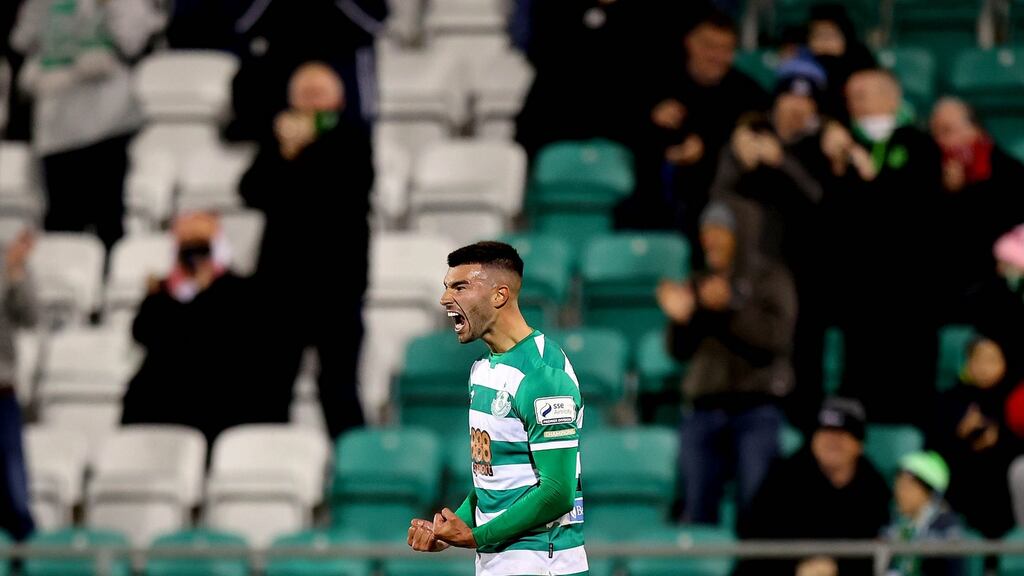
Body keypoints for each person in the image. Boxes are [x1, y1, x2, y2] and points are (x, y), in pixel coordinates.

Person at [407, 242, 587, 576]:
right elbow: (494, 479)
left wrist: (476, 537)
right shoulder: (483, 370)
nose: (445, 299)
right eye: (446, 287)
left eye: (460, 287)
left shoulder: (542, 375)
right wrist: (451, 530)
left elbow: (558, 493)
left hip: (542, 565)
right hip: (499, 564)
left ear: (499, 295)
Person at [239, 62, 371, 438]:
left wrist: (302, 151)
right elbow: (250, 190)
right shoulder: (277, 139)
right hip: (281, 284)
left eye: (320, 91)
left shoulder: (353, 136)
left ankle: (353, 470)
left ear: (339, 98)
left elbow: (339, 191)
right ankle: (267, 465)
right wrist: (284, 150)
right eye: (304, 92)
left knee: (339, 387)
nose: (312, 100)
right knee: (270, 386)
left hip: (337, 285)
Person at [656, 199, 797, 524]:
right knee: (696, 507)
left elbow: (777, 339)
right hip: (704, 408)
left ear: (741, 235)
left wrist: (731, 307)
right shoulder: (698, 281)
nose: (710, 239)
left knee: (757, 508)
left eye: (719, 230)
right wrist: (681, 319)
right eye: (706, 230)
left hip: (757, 409)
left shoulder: (770, 278)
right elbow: (679, 352)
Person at [831, 69, 944, 426]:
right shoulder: (842, 147)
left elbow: (915, 212)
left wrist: (871, 180)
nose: (854, 104)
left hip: (910, 299)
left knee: (907, 398)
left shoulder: (920, 146)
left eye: (862, 95)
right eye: (850, 97)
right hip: (861, 299)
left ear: (891, 98)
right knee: (858, 399)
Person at [10, 0, 163, 250]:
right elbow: (22, 40)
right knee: (62, 227)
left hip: (107, 124)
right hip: (56, 128)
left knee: (107, 222)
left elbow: (133, 40)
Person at [121, 213, 269, 446]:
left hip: (218, 395)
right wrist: (173, 294)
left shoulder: (240, 291)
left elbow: (229, 339)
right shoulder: (162, 293)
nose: (195, 258)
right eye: (187, 249)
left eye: (202, 249)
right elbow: (143, 333)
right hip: (165, 395)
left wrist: (206, 291)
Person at [621, 8, 769, 236]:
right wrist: (653, 117)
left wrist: (707, 147)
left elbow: (758, 127)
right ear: (690, 43)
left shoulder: (746, 91)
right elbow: (627, 126)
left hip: (713, 195)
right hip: (652, 192)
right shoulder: (657, 80)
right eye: (710, 46)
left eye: (726, 49)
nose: (717, 56)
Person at [735, 398, 891, 576]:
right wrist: (797, 567)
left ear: (859, 444)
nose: (832, 442)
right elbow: (756, 538)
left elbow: (876, 549)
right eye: (825, 432)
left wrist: (836, 568)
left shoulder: (873, 487)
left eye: (841, 434)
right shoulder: (785, 477)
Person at [930, 98, 1024, 320]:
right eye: (935, 132)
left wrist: (962, 194)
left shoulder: (1008, 171)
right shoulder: (929, 170)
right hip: (944, 285)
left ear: (974, 128)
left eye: (947, 130)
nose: (941, 140)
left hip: (994, 283)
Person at [928, 337, 1019, 538]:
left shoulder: (1014, 399)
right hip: (962, 488)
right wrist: (961, 433)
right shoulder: (949, 399)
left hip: (1003, 490)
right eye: (978, 359)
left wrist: (997, 440)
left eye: (992, 360)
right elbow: (934, 450)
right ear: (968, 364)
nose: (984, 367)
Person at [0, 231, 37, 541]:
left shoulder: (6, 260)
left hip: (2, 392)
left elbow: (30, 315)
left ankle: (23, 557)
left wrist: (15, 273)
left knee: (13, 486)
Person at [883, 451, 966, 576]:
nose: (899, 493)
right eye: (898, 485)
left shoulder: (947, 526)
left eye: (907, 487)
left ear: (928, 491)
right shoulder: (898, 523)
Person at [804, 3, 876, 122]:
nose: (824, 42)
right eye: (817, 35)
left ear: (845, 36)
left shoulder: (861, 60)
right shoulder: (804, 62)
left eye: (830, 35)